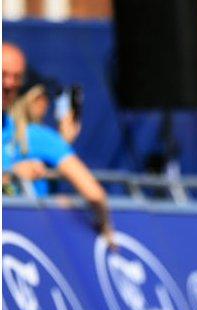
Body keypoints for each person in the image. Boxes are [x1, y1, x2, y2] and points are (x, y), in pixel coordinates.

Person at [2, 43, 114, 246]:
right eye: (43, 97)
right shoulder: (39, 138)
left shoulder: (39, 138)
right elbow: (95, 194)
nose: (9, 84)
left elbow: (95, 194)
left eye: (16, 77)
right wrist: (11, 177)